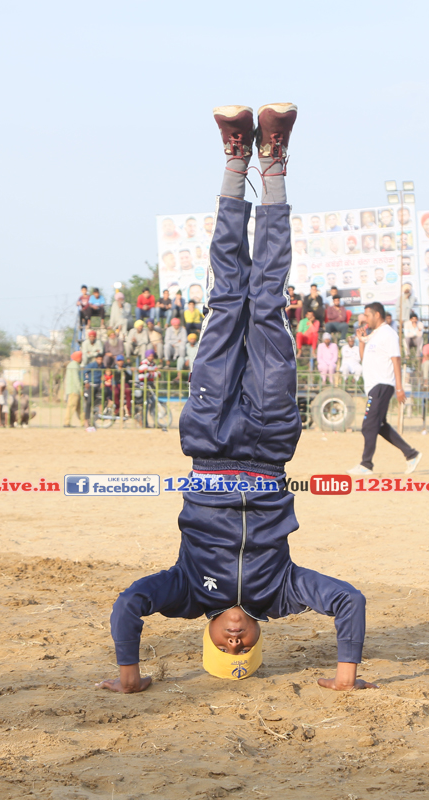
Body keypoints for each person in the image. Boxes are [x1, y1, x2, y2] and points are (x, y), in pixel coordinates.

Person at [102, 104, 373, 695]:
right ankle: (272, 163)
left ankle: (233, 160)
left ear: (205, 637)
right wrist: (345, 677)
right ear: (257, 639)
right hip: (271, 441)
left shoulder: (184, 590)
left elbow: (129, 605)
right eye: (243, 651)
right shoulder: (282, 593)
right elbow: (348, 601)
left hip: (209, 435)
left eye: (223, 651)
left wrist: (129, 676)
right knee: (267, 303)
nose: (233, 642)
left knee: (227, 301)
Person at [347, 301, 421, 476]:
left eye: (367, 315)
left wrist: (399, 387)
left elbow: (396, 359)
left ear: (377, 315)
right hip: (374, 386)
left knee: (368, 426)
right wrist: (361, 340)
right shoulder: (374, 335)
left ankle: (366, 464)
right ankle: (411, 454)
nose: (365, 319)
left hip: (382, 384)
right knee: (379, 425)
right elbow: (364, 359)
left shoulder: (389, 334)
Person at [82, 355, 105, 431]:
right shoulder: (92, 365)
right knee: (89, 402)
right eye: (98, 359)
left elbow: (103, 375)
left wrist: (102, 382)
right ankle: (86, 420)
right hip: (91, 385)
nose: (100, 361)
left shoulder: (102, 366)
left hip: (99, 386)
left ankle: (99, 411)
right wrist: (86, 381)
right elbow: (85, 372)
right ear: (96, 359)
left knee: (104, 395)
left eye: (101, 359)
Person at [64, 352, 84, 427]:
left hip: (74, 389)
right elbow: (76, 379)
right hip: (74, 390)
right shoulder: (74, 366)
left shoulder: (73, 365)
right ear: (78, 358)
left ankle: (84, 423)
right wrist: (80, 389)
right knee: (71, 406)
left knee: (79, 408)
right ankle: (66, 423)